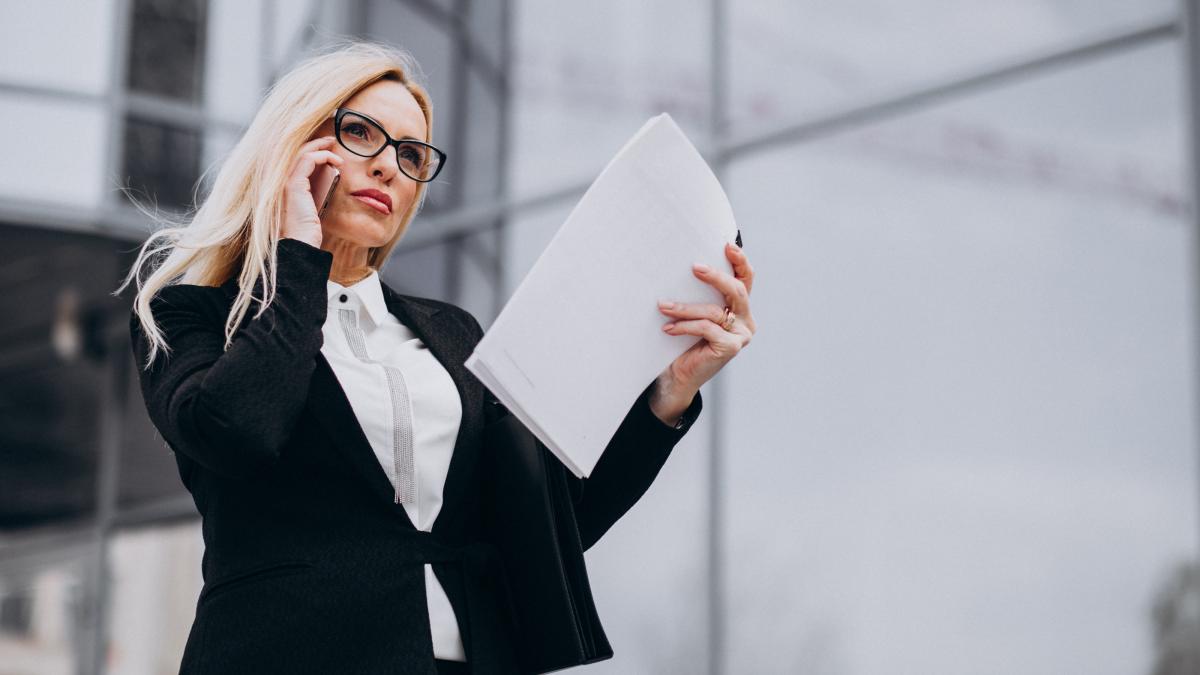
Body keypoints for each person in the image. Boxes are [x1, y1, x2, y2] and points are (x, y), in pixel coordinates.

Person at [121, 39, 756, 675]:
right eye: (360, 133)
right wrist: (297, 259)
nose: (390, 167)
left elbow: (542, 530)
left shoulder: (451, 335)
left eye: (411, 154)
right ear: (295, 147)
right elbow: (239, 431)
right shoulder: (189, 314)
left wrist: (669, 394)